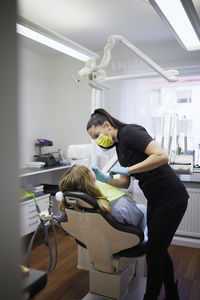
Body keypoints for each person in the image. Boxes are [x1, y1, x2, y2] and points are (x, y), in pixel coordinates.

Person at [87, 108, 189, 300]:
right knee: (158, 248)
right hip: (156, 199)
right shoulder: (119, 146)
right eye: (94, 139)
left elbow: (161, 156)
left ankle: (150, 296)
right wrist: (105, 179)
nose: (97, 140)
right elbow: (125, 182)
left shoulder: (130, 132)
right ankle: (172, 293)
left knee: (154, 253)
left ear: (107, 125)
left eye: (97, 135)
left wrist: (127, 169)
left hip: (171, 197)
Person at [59, 164, 147, 231]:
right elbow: (137, 221)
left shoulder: (70, 207)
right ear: (92, 181)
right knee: (143, 209)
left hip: (96, 240)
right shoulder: (120, 206)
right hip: (127, 242)